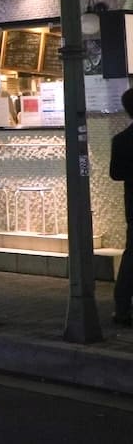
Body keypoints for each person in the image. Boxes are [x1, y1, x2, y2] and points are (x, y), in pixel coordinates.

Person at [109, 88, 133, 327]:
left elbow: (115, 174)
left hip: (132, 205)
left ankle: (122, 307)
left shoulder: (120, 140)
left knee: (131, 256)